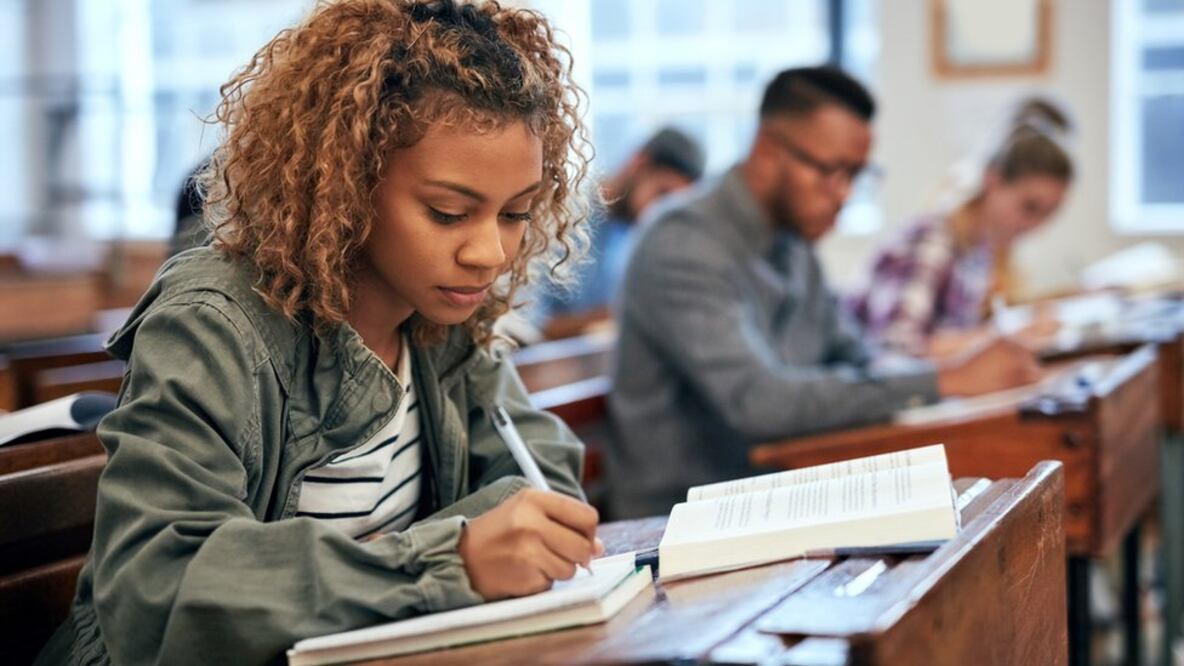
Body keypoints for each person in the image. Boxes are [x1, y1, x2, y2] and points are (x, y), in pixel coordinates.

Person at [37, 1, 601, 664]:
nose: (491, 254)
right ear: (346, 182)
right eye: (448, 213)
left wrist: (436, 556)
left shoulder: (442, 315)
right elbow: (155, 591)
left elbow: (544, 484)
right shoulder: (210, 325)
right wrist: (445, 560)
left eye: (516, 213)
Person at [606, 66, 1042, 519]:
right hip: (680, 519)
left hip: (780, 493)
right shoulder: (681, 243)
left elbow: (857, 356)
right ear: (768, 150)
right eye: (831, 171)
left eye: (856, 175)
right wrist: (948, 379)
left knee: (977, 503)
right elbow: (762, 404)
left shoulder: (793, 244)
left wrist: (943, 378)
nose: (843, 195)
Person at [846, 97, 1074, 356]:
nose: (1037, 226)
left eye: (1049, 214)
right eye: (1029, 207)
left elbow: (958, 334)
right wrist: (1005, 339)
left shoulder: (979, 249)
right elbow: (896, 351)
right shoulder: (931, 241)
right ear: (992, 180)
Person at [531, 127, 705, 340]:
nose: (660, 213)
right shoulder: (560, 215)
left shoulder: (633, 235)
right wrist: (617, 314)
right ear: (639, 164)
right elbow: (528, 326)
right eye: (662, 194)